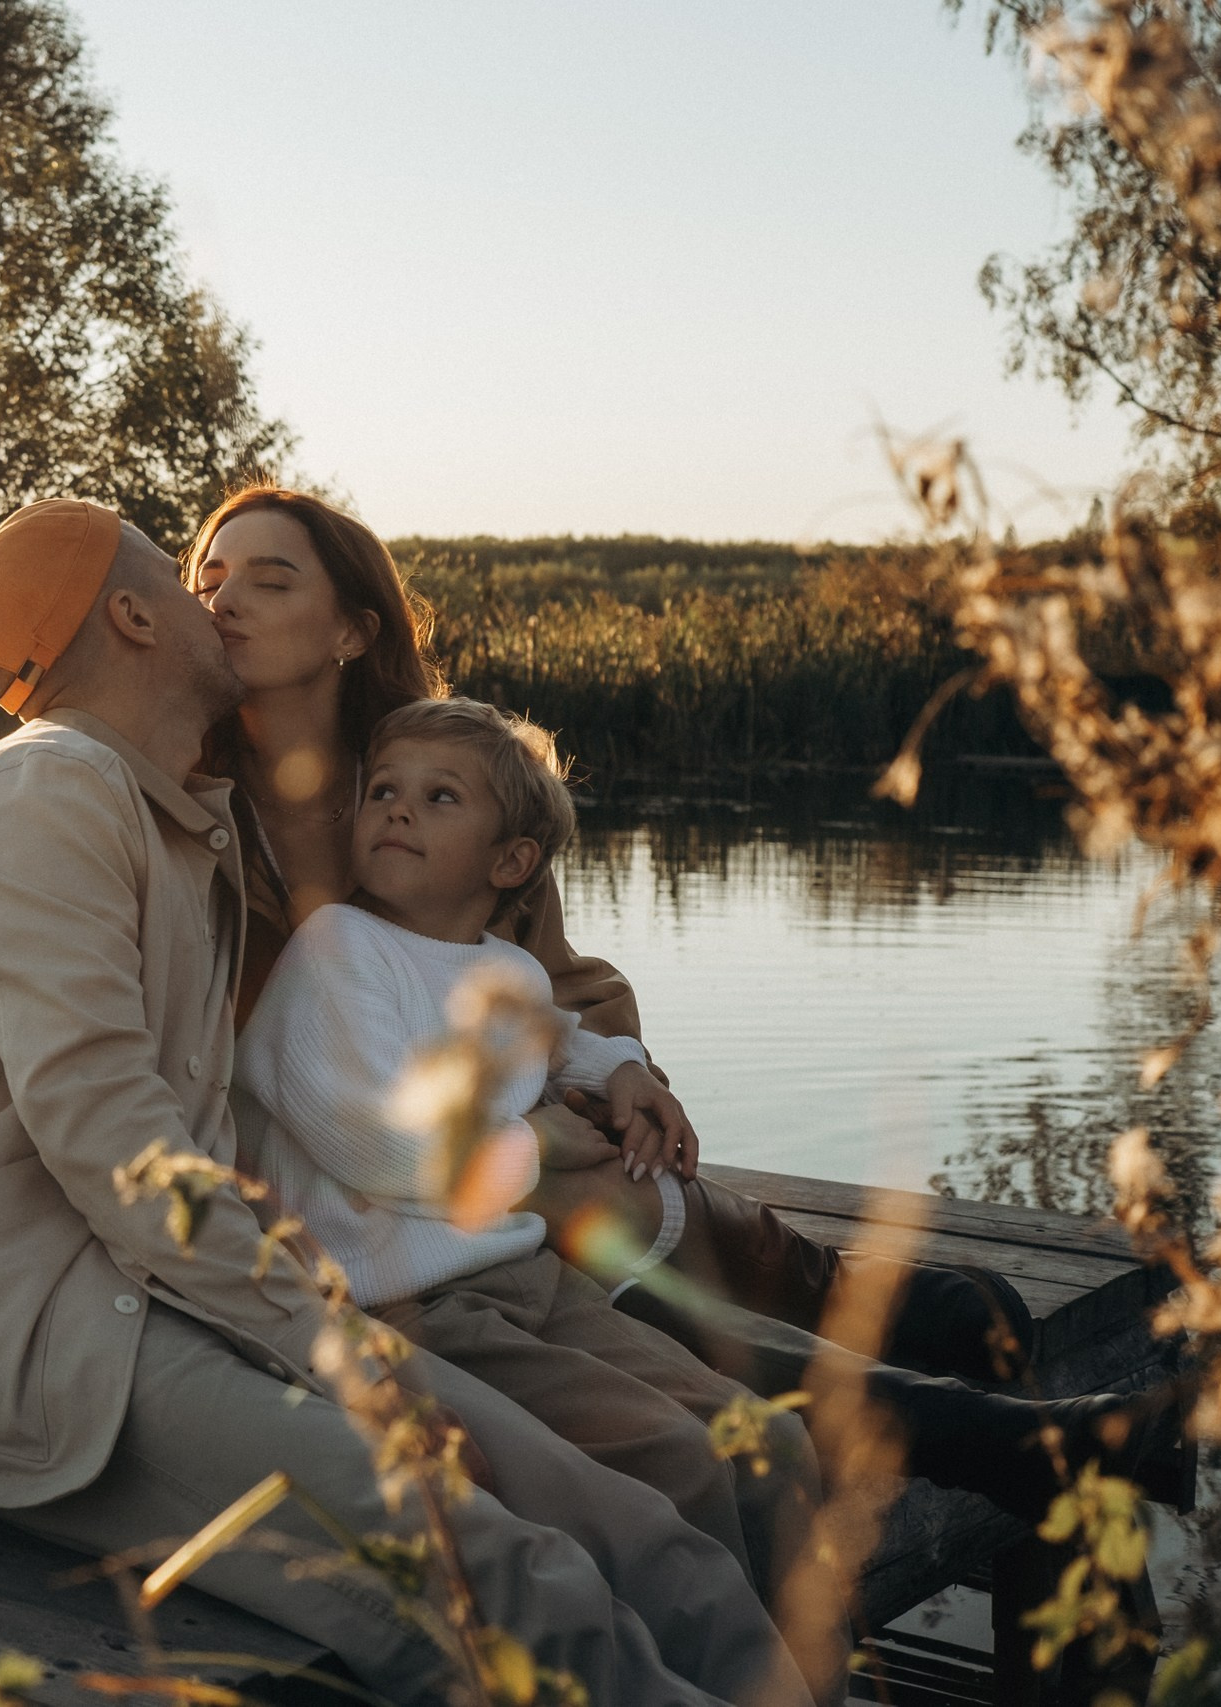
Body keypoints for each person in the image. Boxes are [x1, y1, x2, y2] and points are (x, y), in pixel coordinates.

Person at [0, 498, 808, 1707]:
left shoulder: (179, 822)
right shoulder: (44, 794)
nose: (208, 595)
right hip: (26, 1336)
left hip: (183, 1296)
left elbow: (499, 999)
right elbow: (116, 1146)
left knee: (647, 1538)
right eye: (184, 572)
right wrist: (323, 1327)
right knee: (523, 1583)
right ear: (129, 613)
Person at [234, 691, 1185, 1536]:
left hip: (526, 1263)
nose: (397, 806)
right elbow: (372, 1133)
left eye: (437, 796)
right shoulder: (340, 945)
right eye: (383, 792)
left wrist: (624, 1072)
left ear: (511, 859)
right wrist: (535, 1142)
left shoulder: (501, 965)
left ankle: (944, 1418)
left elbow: (558, 1030)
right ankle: (976, 1427)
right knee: (701, 1434)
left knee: (752, 1430)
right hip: (420, 1288)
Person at [186, 485, 1032, 1384]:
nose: (224, 601)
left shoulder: (441, 781)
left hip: (459, 1148)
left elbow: (542, 979)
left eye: (270, 582)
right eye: (206, 579)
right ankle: (817, 1340)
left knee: (600, 1157)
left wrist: (620, 1066)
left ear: (352, 631)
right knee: (558, 1174)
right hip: (303, 1171)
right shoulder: (184, 801)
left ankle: (836, 1305)